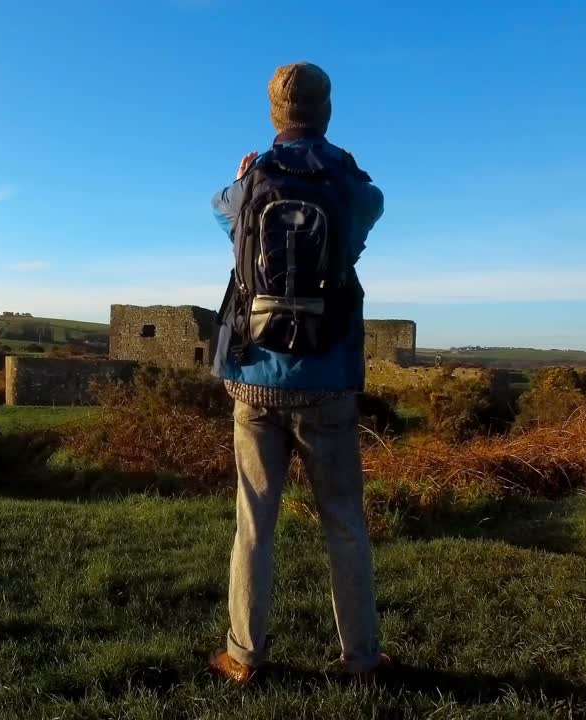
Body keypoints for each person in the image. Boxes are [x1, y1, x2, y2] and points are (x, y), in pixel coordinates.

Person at [207, 62, 388, 685]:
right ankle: (361, 658)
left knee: (254, 521)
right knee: (345, 522)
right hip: (331, 374)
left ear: (274, 114)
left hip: (254, 377)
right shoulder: (347, 181)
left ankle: (243, 655)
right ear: (327, 109)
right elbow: (373, 207)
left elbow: (220, 215)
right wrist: (352, 172)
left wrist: (241, 179)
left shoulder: (252, 180)